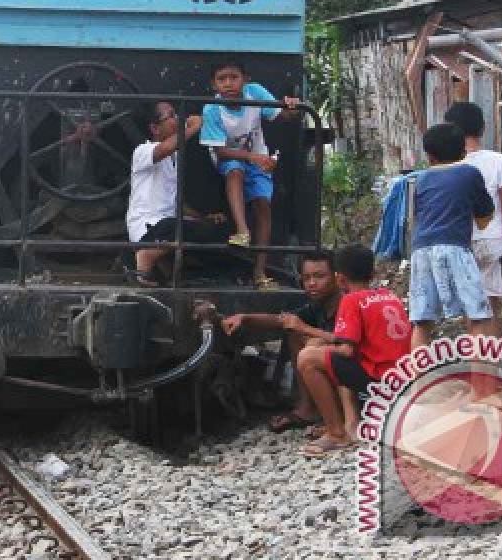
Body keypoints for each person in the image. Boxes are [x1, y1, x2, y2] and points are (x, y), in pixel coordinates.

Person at [297, 244, 411, 456]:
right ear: (373, 273)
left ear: (339, 279)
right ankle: (351, 423)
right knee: (330, 356)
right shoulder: (389, 295)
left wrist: (319, 345)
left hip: (381, 379)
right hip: (403, 377)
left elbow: (346, 350)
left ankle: (336, 433)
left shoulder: (350, 300)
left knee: (308, 358)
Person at [200, 60, 300, 289]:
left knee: (263, 205)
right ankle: (242, 230)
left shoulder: (255, 92)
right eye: (221, 79)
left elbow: (282, 115)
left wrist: (291, 108)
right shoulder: (211, 109)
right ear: (214, 85)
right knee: (235, 169)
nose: (228, 84)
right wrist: (253, 158)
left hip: (258, 157)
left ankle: (259, 272)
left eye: (233, 77)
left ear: (245, 79)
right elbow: (221, 151)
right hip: (229, 158)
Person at [221, 249, 343, 432]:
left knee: (314, 344)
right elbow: (282, 320)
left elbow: (347, 344)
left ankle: (337, 423)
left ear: (336, 277)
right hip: (336, 370)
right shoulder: (318, 306)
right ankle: (307, 408)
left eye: (319, 276)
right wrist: (244, 317)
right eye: (307, 277)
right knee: (294, 331)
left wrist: (309, 333)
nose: (311, 283)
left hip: (359, 378)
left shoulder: (348, 304)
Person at [409, 122, 497, 348]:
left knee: (422, 323)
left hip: (421, 251)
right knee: (479, 319)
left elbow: (416, 216)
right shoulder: (469, 173)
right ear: (463, 150)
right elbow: (485, 215)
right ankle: (482, 382)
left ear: (429, 155)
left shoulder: (420, 179)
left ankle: (419, 383)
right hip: (455, 248)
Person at [443, 102, 502, 319]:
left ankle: (475, 353)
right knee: (491, 307)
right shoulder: (499, 162)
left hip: (460, 243)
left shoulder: (447, 166)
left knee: (471, 309)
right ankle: (487, 352)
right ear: (483, 128)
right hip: (491, 241)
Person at [125, 101, 209, 287]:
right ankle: (146, 256)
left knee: (207, 229)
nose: (178, 119)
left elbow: (175, 202)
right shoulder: (143, 151)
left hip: (167, 224)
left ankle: (164, 265)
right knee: (175, 226)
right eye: (171, 116)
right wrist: (193, 127)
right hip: (148, 227)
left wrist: (203, 218)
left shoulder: (175, 158)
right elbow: (164, 148)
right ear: (154, 128)